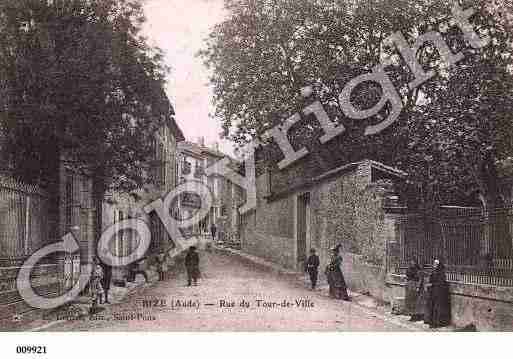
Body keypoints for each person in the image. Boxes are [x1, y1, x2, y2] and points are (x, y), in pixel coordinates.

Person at [424, 259, 451, 328]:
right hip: (433, 292)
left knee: (437, 308)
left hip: (439, 293)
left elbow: (441, 283)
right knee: (432, 307)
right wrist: (430, 284)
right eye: (434, 264)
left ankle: (437, 323)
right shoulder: (433, 272)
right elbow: (431, 279)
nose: (434, 265)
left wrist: (432, 284)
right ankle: (432, 322)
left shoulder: (442, 273)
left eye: (436, 264)